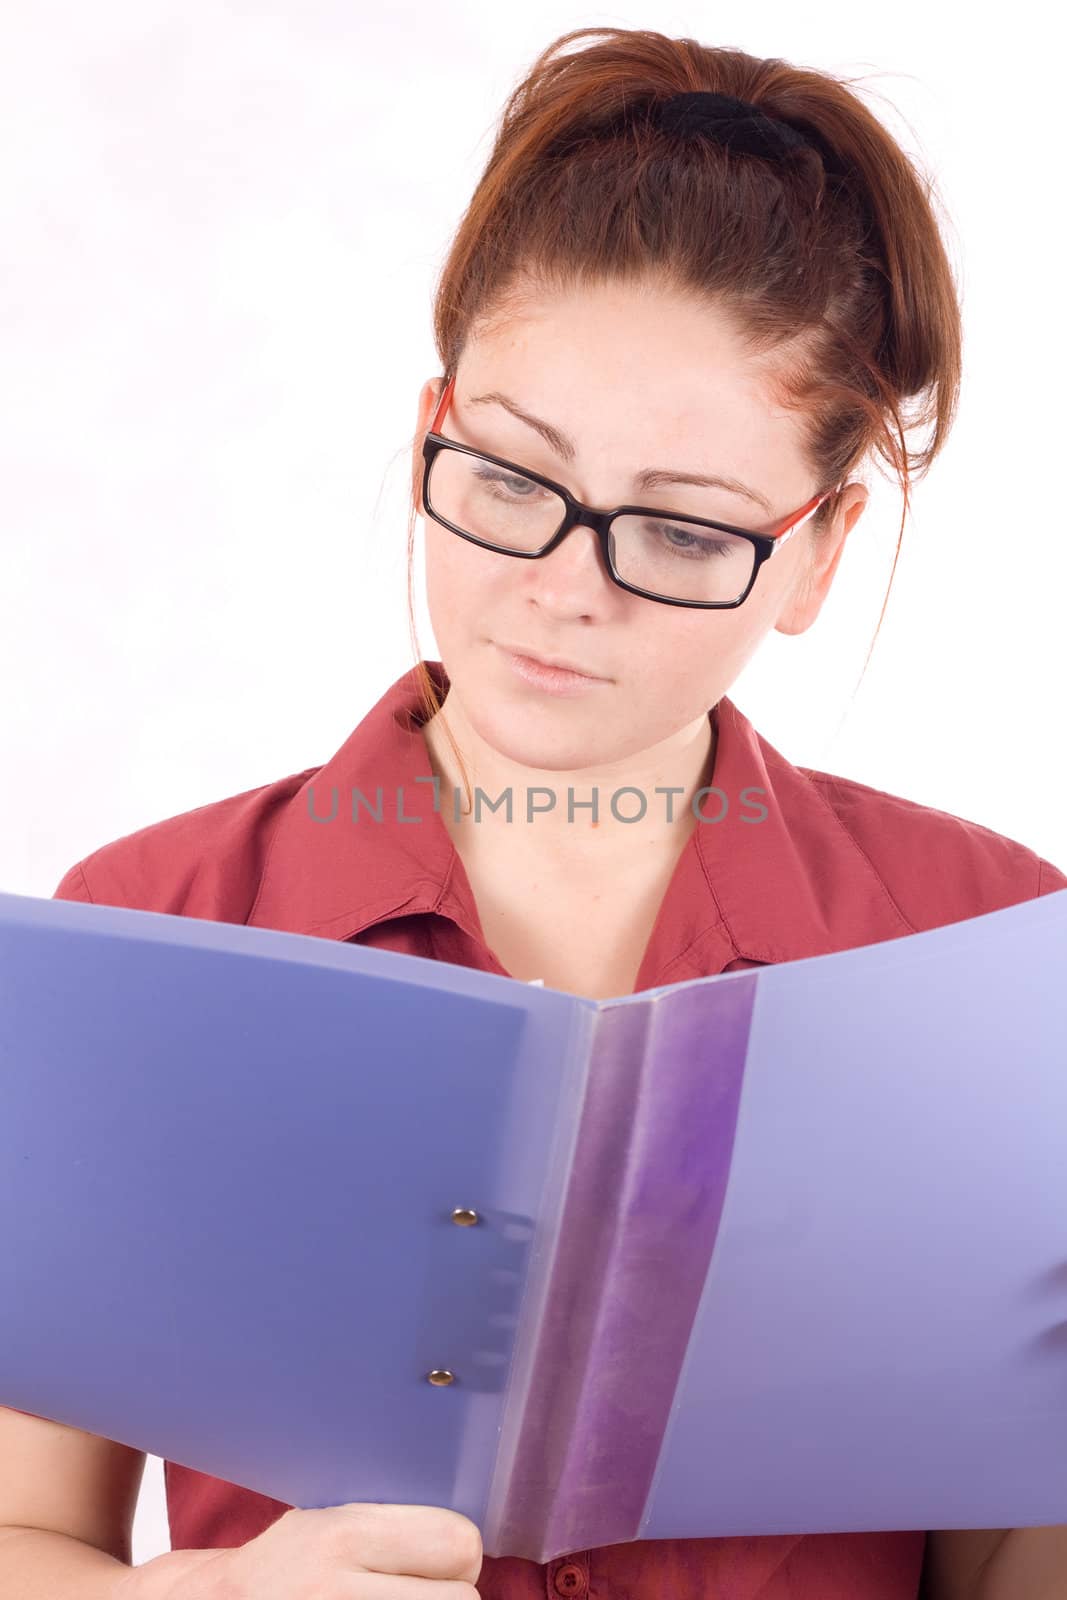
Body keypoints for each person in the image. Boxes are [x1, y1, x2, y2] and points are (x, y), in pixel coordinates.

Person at [2, 23, 1064, 1600]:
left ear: (821, 549)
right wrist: (198, 1595)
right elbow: (27, 1536)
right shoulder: (150, 922)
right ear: (435, 427)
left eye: (687, 532)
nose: (562, 593)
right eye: (507, 479)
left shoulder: (991, 952)